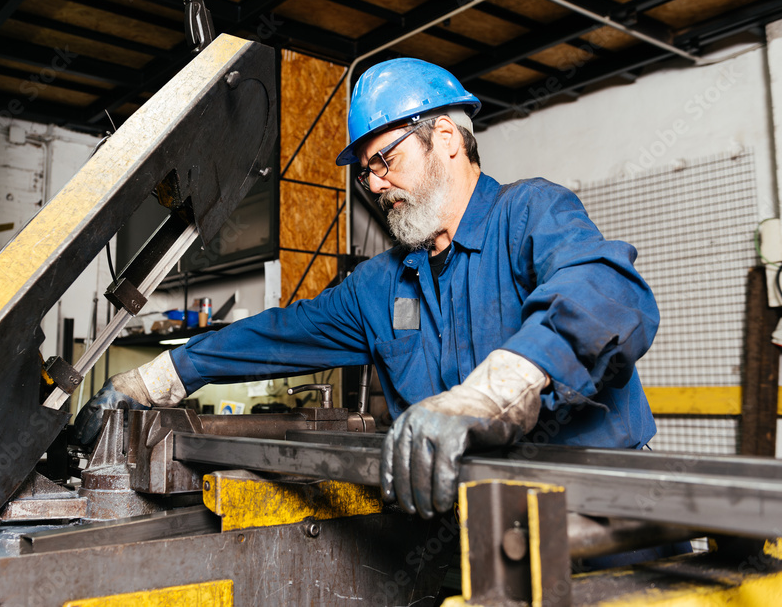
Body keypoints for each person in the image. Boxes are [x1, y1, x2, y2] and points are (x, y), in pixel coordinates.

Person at [92, 57, 659, 521]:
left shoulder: (530, 212)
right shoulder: (382, 284)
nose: (376, 184)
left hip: (602, 519)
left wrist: (492, 394)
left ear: (445, 137)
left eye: (385, 160)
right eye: (366, 172)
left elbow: (609, 295)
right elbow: (281, 333)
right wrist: (158, 377)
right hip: (476, 524)